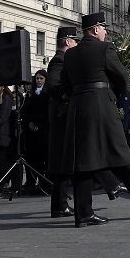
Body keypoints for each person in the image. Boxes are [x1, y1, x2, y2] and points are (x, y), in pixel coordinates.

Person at [61, 12, 130, 227]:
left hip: (78, 108)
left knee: (84, 161)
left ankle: (83, 214)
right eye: (103, 28)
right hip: (102, 105)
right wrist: (114, 95)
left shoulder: (70, 55)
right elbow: (122, 77)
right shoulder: (104, 48)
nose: (106, 31)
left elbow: (65, 85)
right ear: (95, 30)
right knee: (120, 152)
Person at [46, 25, 78, 217]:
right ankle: (60, 205)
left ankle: (59, 205)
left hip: (60, 115)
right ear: (67, 42)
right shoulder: (60, 60)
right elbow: (54, 86)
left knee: (62, 162)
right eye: (75, 41)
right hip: (61, 115)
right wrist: (70, 96)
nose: (76, 44)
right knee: (62, 161)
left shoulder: (62, 59)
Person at [20, 69, 50, 193]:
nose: (38, 81)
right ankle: (31, 183)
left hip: (43, 131)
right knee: (32, 159)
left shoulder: (47, 93)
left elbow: (45, 111)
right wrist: (29, 124)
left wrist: (36, 123)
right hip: (31, 132)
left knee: (44, 159)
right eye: (37, 78)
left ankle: (44, 184)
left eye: (41, 78)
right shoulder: (30, 94)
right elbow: (25, 112)